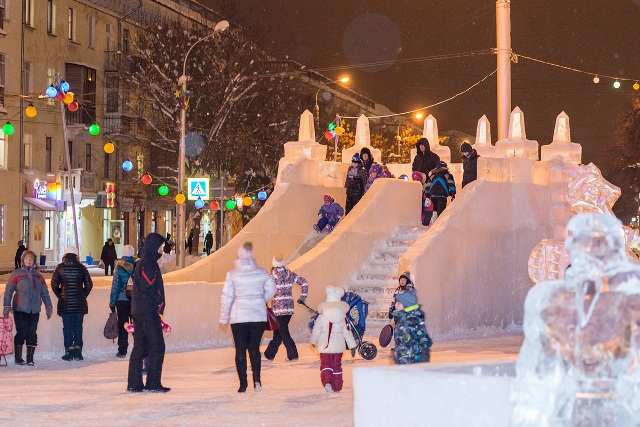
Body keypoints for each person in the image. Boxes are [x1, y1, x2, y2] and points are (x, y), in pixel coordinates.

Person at [219, 242, 276, 393]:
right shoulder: (262, 272)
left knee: (240, 350)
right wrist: (261, 299)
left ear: (239, 257)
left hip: (239, 317)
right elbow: (272, 288)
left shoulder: (232, 274)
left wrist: (224, 317)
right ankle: (257, 380)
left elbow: (227, 297)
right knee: (254, 349)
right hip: (258, 316)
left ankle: (243, 384)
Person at [127, 233, 169, 393]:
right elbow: (149, 285)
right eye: (159, 247)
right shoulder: (149, 263)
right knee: (157, 345)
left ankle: (134, 383)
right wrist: (158, 301)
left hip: (139, 310)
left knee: (140, 346)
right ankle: (153, 383)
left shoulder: (143, 262)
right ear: (153, 247)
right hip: (147, 310)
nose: (161, 250)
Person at [3, 250, 53, 366]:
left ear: (34, 261)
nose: (29, 261)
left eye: (31, 259)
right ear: (23, 260)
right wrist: (7, 305)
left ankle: (30, 358)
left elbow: (44, 293)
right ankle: (18, 358)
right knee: (21, 332)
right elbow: (9, 290)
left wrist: (48, 306)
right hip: (20, 309)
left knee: (32, 333)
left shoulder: (39, 276)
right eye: (26, 259)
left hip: (34, 309)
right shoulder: (17, 274)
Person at [309, 286, 357, 393]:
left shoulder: (322, 316)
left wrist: (313, 341)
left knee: (326, 365)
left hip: (325, 346)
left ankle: (327, 382)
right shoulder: (343, 317)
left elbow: (316, 330)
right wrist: (352, 346)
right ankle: (337, 386)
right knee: (337, 366)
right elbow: (347, 332)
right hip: (338, 347)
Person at [51, 246, 93, 361]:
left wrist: (61, 295)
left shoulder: (60, 268)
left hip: (65, 303)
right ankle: (78, 351)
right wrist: (82, 295)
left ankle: (69, 351)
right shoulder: (82, 268)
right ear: (76, 255)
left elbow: (54, 285)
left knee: (67, 327)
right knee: (78, 327)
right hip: (79, 303)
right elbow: (89, 285)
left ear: (64, 255)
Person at [264, 254, 308, 362]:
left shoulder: (271, 277)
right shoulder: (290, 274)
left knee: (283, 332)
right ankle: (269, 354)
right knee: (279, 332)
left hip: (277, 310)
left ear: (274, 263)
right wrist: (303, 297)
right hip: (289, 309)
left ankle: (293, 355)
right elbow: (304, 283)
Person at [391, 289, 433, 365]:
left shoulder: (413, 321)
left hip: (413, 361)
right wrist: (396, 353)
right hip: (402, 361)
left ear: (406, 305)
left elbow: (424, 337)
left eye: (399, 303)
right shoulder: (401, 320)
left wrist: (424, 353)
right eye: (396, 302)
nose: (395, 305)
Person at [109, 244, 136, 358]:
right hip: (136, 300)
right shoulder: (138, 266)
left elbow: (115, 287)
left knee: (123, 325)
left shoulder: (119, 267)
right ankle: (139, 348)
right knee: (137, 325)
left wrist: (112, 303)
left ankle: (122, 350)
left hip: (122, 300)